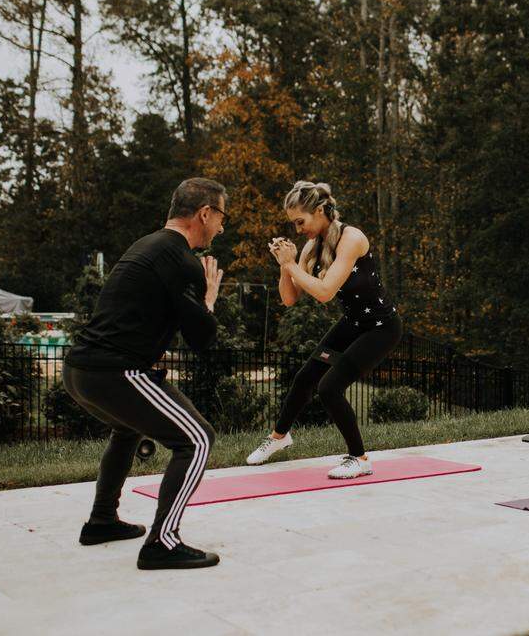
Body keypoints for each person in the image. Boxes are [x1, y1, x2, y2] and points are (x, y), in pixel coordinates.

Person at [62, 178, 226, 570]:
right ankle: (162, 543)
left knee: (127, 429)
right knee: (197, 439)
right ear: (205, 213)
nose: (222, 228)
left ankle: (102, 521)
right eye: (222, 217)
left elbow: (135, 315)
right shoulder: (183, 260)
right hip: (115, 372)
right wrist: (209, 299)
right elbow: (203, 338)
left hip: (79, 370)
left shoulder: (146, 245)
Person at [246, 181, 402, 477]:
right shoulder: (312, 247)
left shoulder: (351, 238)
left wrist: (292, 265)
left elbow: (325, 292)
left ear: (319, 211)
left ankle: (360, 458)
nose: (297, 229)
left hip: (381, 328)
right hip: (353, 323)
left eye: (300, 221)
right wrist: (285, 266)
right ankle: (279, 437)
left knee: (329, 387)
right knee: (305, 378)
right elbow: (289, 299)